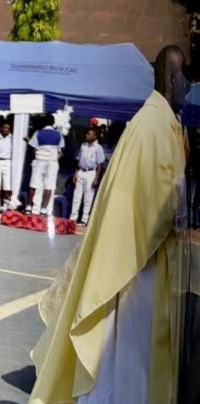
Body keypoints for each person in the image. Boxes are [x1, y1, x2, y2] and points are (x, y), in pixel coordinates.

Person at [29, 46, 189, 404]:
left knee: (129, 351)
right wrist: (178, 205)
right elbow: (155, 201)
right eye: (187, 79)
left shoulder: (164, 123)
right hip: (137, 265)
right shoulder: (152, 126)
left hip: (141, 255)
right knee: (128, 352)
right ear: (172, 77)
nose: (189, 88)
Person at [69, 127, 106, 227]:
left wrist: (96, 179)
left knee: (87, 198)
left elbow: (100, 165)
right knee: (77, 196)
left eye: (89, 134)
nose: (87, 135)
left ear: (94, 136)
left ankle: (84, 219)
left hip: (91, 173)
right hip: (81, 171)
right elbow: (79, 160)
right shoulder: (83, 146)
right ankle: (73, 218)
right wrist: (76, 173)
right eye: (87, 134)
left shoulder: (98, 148)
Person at [28, 115, 64, 216]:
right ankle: (43, 209)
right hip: (52, 162)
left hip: (40, 160)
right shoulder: (58, 134)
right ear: (53, 123)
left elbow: (34, 149)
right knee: (49, 185)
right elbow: (60, 151)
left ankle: (29, 207)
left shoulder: (38, 133)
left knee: (34, 183)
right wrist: (54, 158)